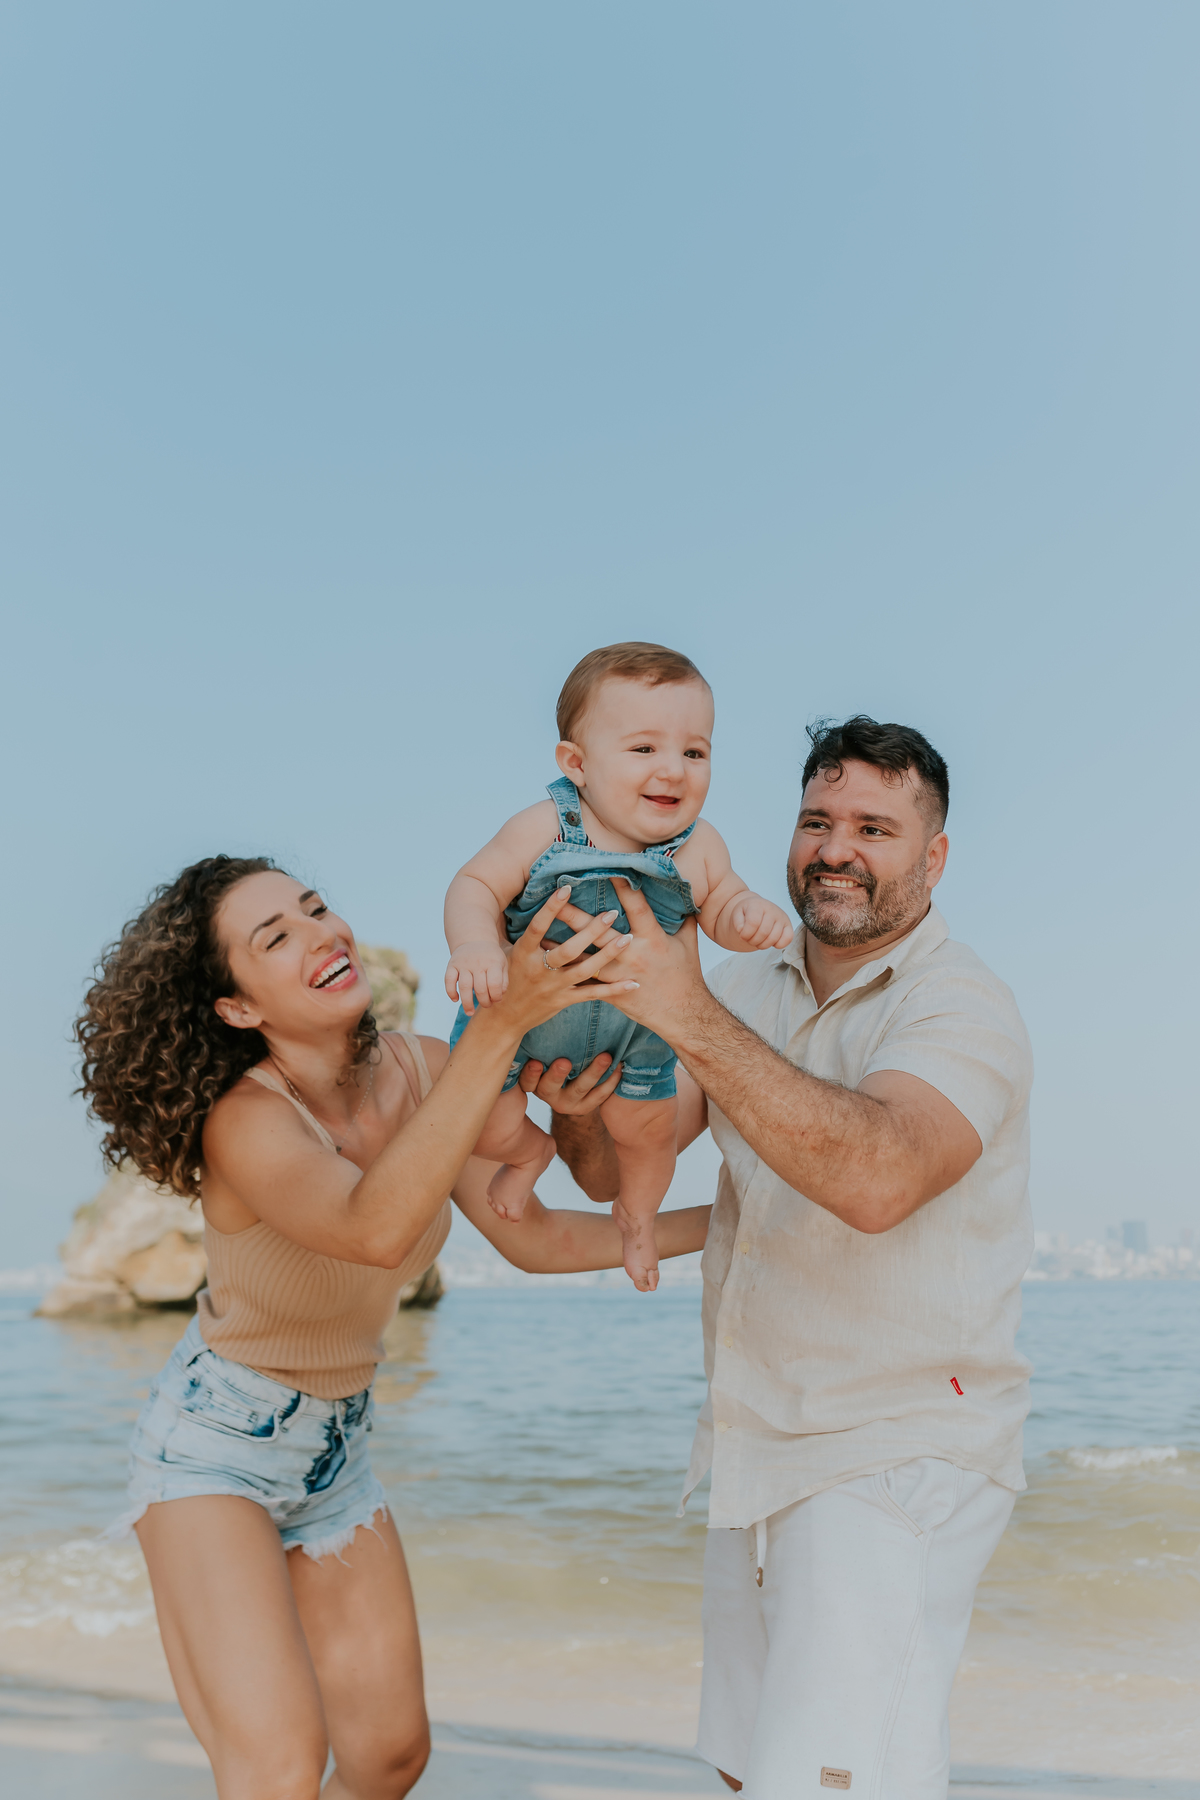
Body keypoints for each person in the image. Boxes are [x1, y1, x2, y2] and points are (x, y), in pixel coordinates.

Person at [75, 854, 710, 1800]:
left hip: (338, 1446)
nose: (321, 935)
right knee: (279, 1770)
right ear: (238, 1008)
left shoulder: (424, 1069)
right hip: (214, 1452)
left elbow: (534, 1235)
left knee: (387, 1760)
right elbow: (371, 1228)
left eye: (316, 909)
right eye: (275, 938)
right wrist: (500, 1026)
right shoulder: (244, 1123)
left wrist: (729, 1226)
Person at [547, 716, 1034, 1799]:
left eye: (874, 828)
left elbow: (879, 1178)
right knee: (749, 1773)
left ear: (934, 857)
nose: (835, 849)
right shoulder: (747, 989)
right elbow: (614, 1166)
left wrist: (684, 1008)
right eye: (817, 821)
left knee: (830, 1787)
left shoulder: (961, 1004)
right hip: (753, 1445)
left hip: (893, 1452)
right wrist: (577, 1101)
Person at [443, 641, 791, 1290]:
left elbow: (721, 904)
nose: (674, 770)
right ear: (577, 764)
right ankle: (527, 1154)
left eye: (695, 752)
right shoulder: (545, 827)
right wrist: (475, 946)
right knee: (483, 1126)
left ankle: (637, 1214)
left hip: (635, 1036)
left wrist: (747, 917)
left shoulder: (700, 845)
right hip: (519, 1022)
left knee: (649, 1136)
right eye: (644, 748)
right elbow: (476, 885)